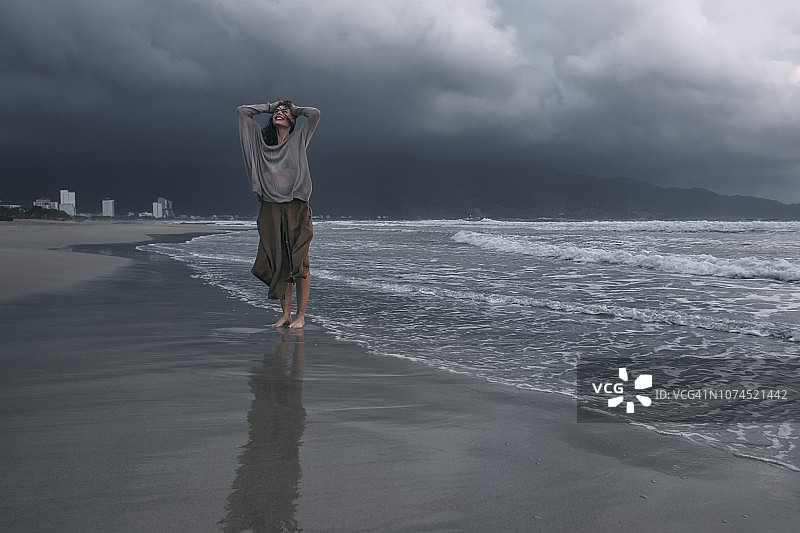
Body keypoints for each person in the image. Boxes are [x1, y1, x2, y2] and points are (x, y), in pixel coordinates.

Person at [237, 99, 320, 328]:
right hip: (271, 207)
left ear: (293, 120)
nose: (280, 113)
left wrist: (294, 109)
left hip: (296, 205)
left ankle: (300, 316)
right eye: (278, 112)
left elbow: (314, 114)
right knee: (279, 261)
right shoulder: (260, 144)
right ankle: (285, 315)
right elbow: (242, 112)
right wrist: (271, 106)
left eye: (285, 112)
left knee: (299, 261)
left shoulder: (298, 140)